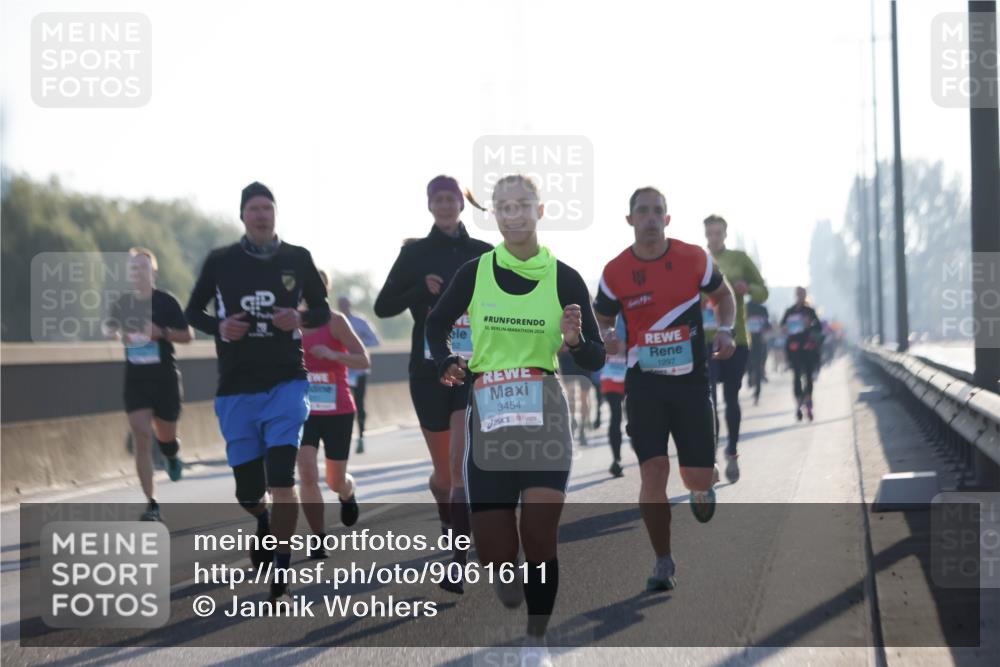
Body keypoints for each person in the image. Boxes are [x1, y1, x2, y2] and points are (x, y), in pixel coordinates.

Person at [427, 174, 604, 667]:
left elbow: (593, 358)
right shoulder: (474, 272)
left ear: (540, 211)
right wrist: (444, 360)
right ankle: (508, 579)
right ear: (495, 215)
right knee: (499, 560)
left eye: (523, 204)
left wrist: (572, 342)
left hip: (544, 410)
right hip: (488, 412)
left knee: (540, 535)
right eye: (503, 206)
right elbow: (436, 324)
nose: (513, 213)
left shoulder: (564, 277)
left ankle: (536, 642)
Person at [185, 181, 330, 603]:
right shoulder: (221, 261)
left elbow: (320, 308)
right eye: (254, 208)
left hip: (287, 382)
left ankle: (282, 562)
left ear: (276, 214)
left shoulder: (297, 258)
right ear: (243, 216)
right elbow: (192, 311)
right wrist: (220, 327)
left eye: (268, 207)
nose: (262, 214)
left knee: (281, 477)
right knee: (249, 492)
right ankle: (262, 518)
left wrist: (299, 317)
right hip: (236, 387)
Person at [595, 187, 736, 592]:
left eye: (658, 211)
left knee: (697, 476)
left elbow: (723, 297)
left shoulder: (693, 258)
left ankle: (702, 486)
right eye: (643, 211)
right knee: (653, 471)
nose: (651, 218)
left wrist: (725, 329)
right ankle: (663, 559)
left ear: (668, 219)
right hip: (645, 384)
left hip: (691, 382)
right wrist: (606, 334)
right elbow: (600, 315)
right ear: (630, 220)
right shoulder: (615, 271)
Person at [373, 175, 492, 592]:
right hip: (427, 371)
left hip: (470, 366)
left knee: (460, 463)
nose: (445, 205)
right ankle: (447, 515)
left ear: (462, 204)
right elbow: (382, 306)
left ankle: (457, 560)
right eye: (438, 199)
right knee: (442, 473)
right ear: (429, 205)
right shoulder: (415, 254)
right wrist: (416, 289)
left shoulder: (483, 253)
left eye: (451, 198)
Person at [104, 248, 193, 522]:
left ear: (153, 272)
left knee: (165, 437)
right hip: (136, 381)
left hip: (164, 379)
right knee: (141, 435)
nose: (137, 272)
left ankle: (172, 453)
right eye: (133, 268)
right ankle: (151, 503)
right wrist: (113, 332)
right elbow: (109, 327)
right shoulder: (122, 303)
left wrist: (161, 333)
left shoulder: (166, 301)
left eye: (142, 267)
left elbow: (188, 335)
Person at [300, 272, 371, 559]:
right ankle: (318, 538)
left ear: (325, 290)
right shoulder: (289, 322)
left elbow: (363, 359)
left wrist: (332, 354)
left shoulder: (335, 321)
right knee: (306, 473)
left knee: (334, 480)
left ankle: (347, 492)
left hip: (337, 409)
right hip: (302, 409)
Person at [702, 214, 768, 484]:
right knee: (708, 400)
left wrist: (747, 287)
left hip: (736, 338)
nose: (714, 238)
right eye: (710, 233)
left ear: (725, 234)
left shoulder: (740, 259)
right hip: (705, 339)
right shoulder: (698, 260)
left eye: (718, 233)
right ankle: (712, 457)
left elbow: (763, 292)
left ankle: (732, 451)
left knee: (731, 397)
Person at [337, 295, 380, 454]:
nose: (343, 307)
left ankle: (361, 435)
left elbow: (376, 340)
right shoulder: (336, 321)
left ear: (350, 305)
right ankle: (344, 436)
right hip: (342, 369)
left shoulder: (360, 322)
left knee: (359, 403)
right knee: (343, 403)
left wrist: (359, 345)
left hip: (359, 369)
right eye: (340, 305)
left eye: (345, 304)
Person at [780, 287, 823, 421]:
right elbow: (782, 326)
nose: (800, 296)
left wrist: (809, 324)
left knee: (809, 376)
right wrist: (785, 328)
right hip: (794, 347)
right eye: (798, 294)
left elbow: (819, 328)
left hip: (808, 347)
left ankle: (808, 402)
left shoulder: (810, 311)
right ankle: (799, 403)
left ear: (805, 295)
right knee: (797, 376)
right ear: (796, 295)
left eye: (802, 294)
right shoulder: (790, 311)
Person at [599, 314, 628, 478]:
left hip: (629, 374)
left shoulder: (631, 313)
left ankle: (639, 446)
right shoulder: (602, 317)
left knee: (633, 417)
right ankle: (616, 459)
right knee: (616, 416)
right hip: (610, 376)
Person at [558, 343, 592, 446]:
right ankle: (574, 424)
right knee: (573, 395)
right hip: (569, 358)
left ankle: (581, 428)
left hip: (582, 358)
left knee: (581, 397)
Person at [745, 298, 771, 406]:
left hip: (760, 341)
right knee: (751, 364)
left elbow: (767, 325)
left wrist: (765, 332)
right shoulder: (745, 307)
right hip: (747, 341)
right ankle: (751, 377)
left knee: (758, 365)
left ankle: (757, 393)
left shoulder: (763, 309)